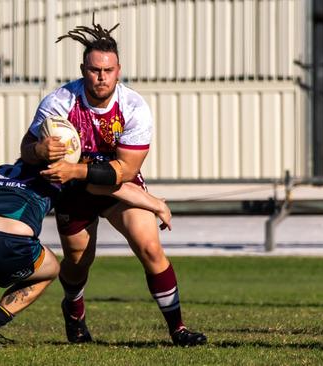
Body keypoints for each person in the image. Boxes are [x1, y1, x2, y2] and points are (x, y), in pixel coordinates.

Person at [20, 16, 207, 346]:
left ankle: (178, 329)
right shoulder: (59, 103)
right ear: (83, 69)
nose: (101, 77)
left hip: (118, 187)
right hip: (74, 192)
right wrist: (39, 148)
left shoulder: (133, 107)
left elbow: (122, 171)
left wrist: (77, 169)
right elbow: (26, 150)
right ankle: (74, 311)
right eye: (94, 70)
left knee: (150, 247)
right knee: (78, 263)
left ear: (118, 70)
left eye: (108, 70)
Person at [0, 158, 172, 349]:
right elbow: (113, 188)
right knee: (50, 270)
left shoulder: (0, 169)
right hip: (14, 240)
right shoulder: (63, 174)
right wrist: (156, 204)